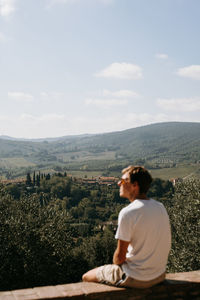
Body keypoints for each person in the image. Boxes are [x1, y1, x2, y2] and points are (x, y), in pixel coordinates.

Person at [82, 166, 171, 289]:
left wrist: (116, 261)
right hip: (159, 276)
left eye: (123, 181)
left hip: (135, 277)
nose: (119, 183)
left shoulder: (128, 212)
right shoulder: (160, 207)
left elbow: (119, 258)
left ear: (135, 185)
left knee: (86, 277)